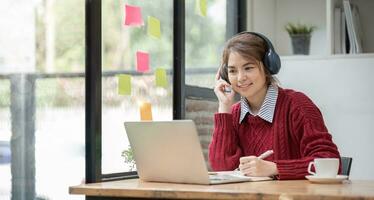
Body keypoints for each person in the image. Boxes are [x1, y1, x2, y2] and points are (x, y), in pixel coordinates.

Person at [209, 32, 341, 180]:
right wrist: (224, 107)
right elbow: (222, 168)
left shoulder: (297, 105)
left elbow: (330, 162)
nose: (240, 78)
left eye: (248, 68)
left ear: (268, 67)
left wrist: (275, 168)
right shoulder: (234, 114)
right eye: (232, 71)